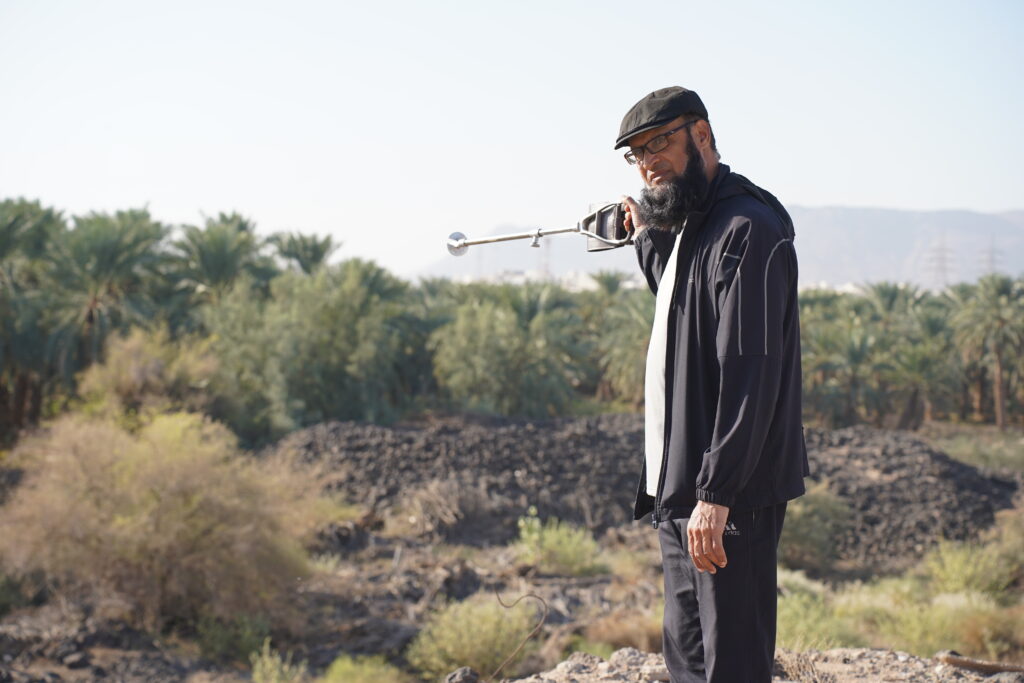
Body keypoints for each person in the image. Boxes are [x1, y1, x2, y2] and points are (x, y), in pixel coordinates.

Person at [616, 86, 810, 682]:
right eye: (637, 154)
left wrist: (717, 493)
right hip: (681, 492)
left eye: (660, 143)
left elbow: (752, 373)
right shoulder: (695, 228)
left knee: (733, 664)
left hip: (729, 499)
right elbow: (684, 304)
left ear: (700, 134)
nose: (649, 162)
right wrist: (646, 233)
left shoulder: (746, 229)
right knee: (689, 659)